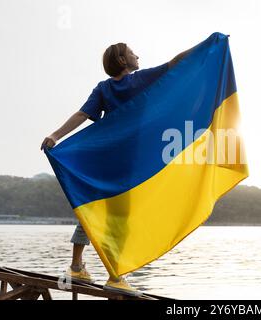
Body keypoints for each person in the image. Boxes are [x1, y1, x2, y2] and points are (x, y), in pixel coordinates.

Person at [40, 42, 193, 296]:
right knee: (120, 220)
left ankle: (77, 266)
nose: (137, 55)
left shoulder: (103, 88)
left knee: (92, 209)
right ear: (123, 61)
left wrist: (55, 135)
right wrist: (205, 45)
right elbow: (174, 63)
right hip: (129, 165)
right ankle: (115, 276)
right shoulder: (140, 80)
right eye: (133, 53)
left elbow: (81, 114)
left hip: (104, 161)